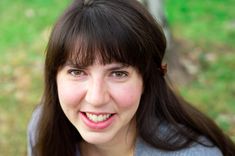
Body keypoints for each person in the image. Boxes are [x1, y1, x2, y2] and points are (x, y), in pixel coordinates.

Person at [27, 0, 235, 155]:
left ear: (147, 80)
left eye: (118, 74)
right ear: (54, 77)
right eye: (77, 72)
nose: (96, 98)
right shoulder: (44, 129)